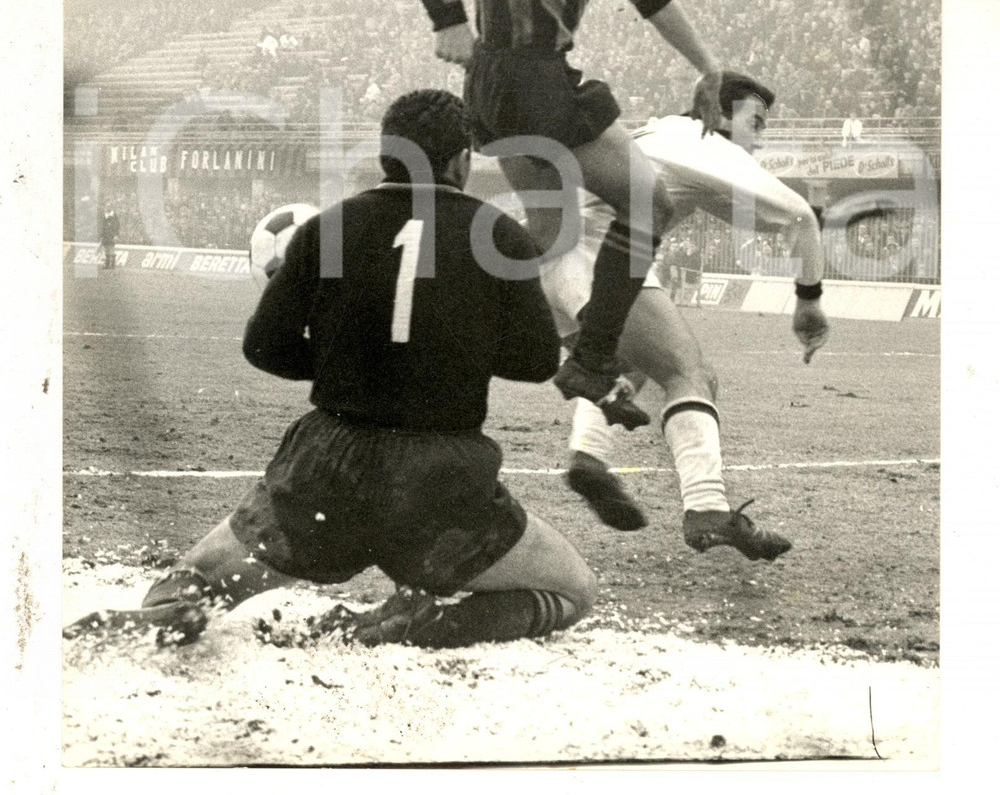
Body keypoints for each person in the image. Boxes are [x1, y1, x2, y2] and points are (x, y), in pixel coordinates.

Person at [64, 91, 596, 649]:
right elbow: (537, 363)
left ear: (386, 154)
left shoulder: (328, 228)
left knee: (194, 583)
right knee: (573, 592)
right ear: (461, 160)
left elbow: (264, 347)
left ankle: (176, 612)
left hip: (327, 468)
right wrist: (452, 353)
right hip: (441, 478)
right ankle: (427, 625)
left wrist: (343, 364)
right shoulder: (500, 237)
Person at [407, 0, 725, 417]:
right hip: (521, 74)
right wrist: (447, 18)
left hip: (518, 82)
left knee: (553, 234)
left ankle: (498, 320)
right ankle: (591, 357)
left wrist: (708, 67)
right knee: (650, 203)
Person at [539, 72, 830, 556]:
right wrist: (809, 300)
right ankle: (708, 508)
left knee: (630, 365)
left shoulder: (663, 134)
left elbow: (738, 211)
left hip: (554, 261)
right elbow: (798, 215)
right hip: (596, 257)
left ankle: (589, 459)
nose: (758, 136)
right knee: (689, 373)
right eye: (753, 121)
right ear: (717, 114)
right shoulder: (705, 142)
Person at [100, 201, 120, 270]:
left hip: (112, 235)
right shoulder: (104, 215)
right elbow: (103, 226)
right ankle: (107, 264)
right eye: (107, 206)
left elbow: (117, 225)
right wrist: (102, 235)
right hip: (106, 235)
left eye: (109, 206)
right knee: (106, 249)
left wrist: (116, 235)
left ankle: (113, 265)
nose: (108, 207)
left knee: (111, 248)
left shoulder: (114, 215)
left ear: (111, 207)